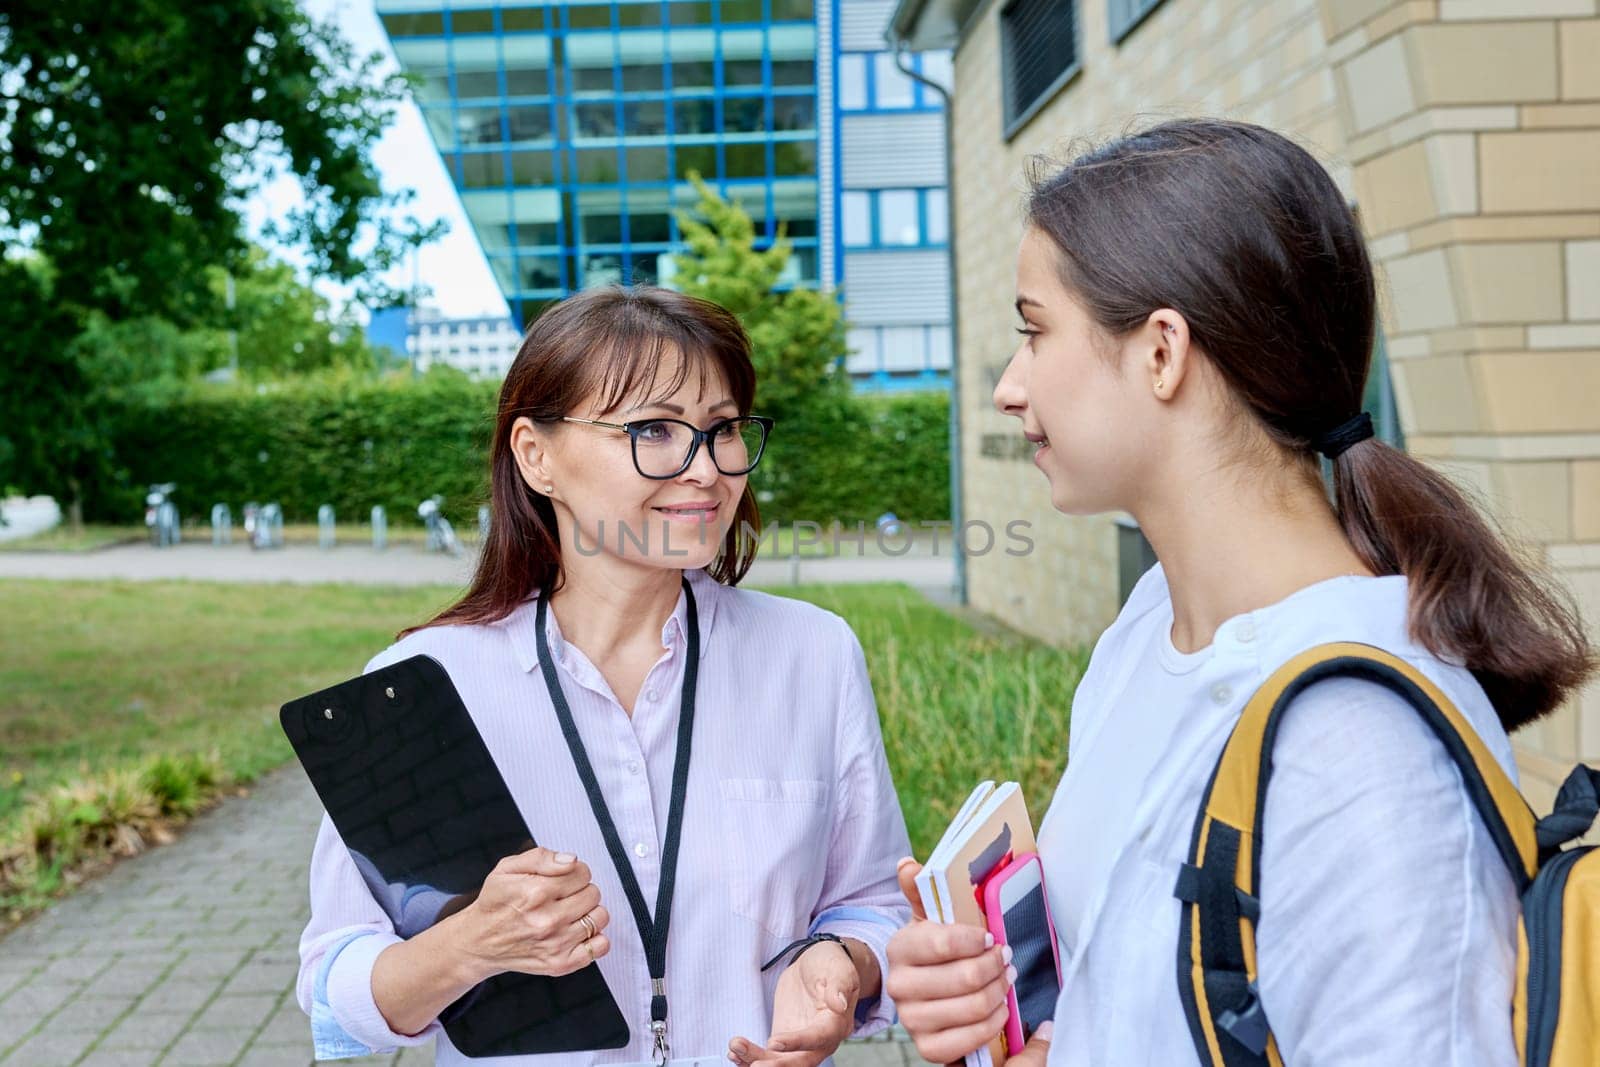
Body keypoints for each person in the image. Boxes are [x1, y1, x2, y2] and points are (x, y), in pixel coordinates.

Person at [885, 119, 1594, 1066]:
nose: (1012, 386)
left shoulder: (1359, 746)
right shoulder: (1145, 634)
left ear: (1162, 352)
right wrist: (992, 1003)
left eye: (1034, 330)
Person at [295, 286, 911, 1065]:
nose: (707, 469)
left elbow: (872, 903)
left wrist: (844, 966)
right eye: (654, 429)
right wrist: (471, 946)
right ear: (536, 455)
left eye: (722, 430)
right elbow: (335, 990)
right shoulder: (421, 686)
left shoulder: (813, 655)